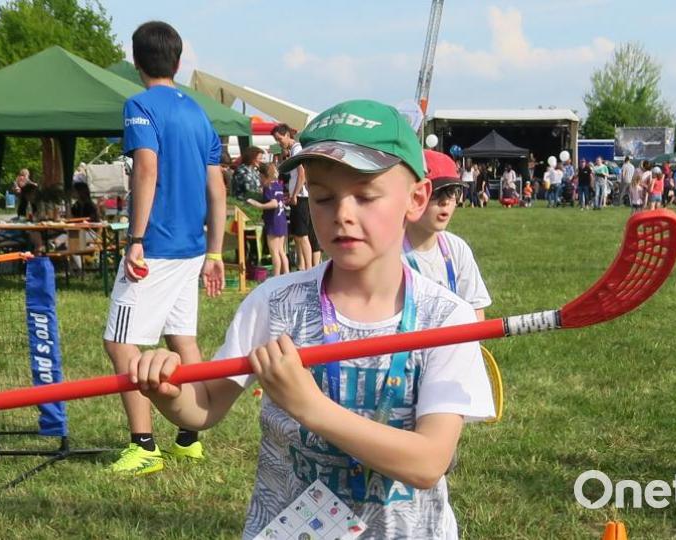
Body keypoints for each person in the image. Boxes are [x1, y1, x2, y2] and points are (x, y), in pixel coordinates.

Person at [127, 99, 495, 539]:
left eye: (365, 195)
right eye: (323, 196)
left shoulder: (445, 317)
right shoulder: (276, 302)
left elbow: (428, 463)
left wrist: (309, 407)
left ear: (415, 199)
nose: (342, 212)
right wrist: (170, 392)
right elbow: (204, 407)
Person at [103, 20, 226, 476]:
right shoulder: (198, 112)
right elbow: (218, 188)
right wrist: (214, 252)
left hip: (155, 248)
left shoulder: (139, 104)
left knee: (120, 343)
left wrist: (135, 241)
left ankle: (144, 446)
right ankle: (189, 439)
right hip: (192, 248)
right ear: (177, 63)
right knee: (182, 338)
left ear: (136, 62)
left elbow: (147, 171)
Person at [405, 149, 492, 321]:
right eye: (436, 193)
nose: (446, 201)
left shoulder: (457, 249)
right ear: (413, 197)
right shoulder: (391, 254)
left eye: (453, 192)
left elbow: (476, 310)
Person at [272, 123, 321, 270]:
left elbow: (302, 174)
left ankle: (308, 267)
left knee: (302, 235)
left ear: (287, 135)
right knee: (299, 236)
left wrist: (294, 194)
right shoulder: (292, 150)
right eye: (277, 139)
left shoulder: (296, 149)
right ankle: (303, 266)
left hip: (301, 197)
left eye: (280, 138)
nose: (279, 142)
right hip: (298, 196)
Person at [246, 163, 289, 276]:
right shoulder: (278, 185)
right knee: (281, 251)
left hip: (273, 221)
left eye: (260, 177)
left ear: (264, 176)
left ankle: (276, 277)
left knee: (274, 252)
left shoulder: (268, 187)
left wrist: (258, 205)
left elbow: (274, 203)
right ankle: (287, 275)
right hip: (282, 220)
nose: (260, 179)